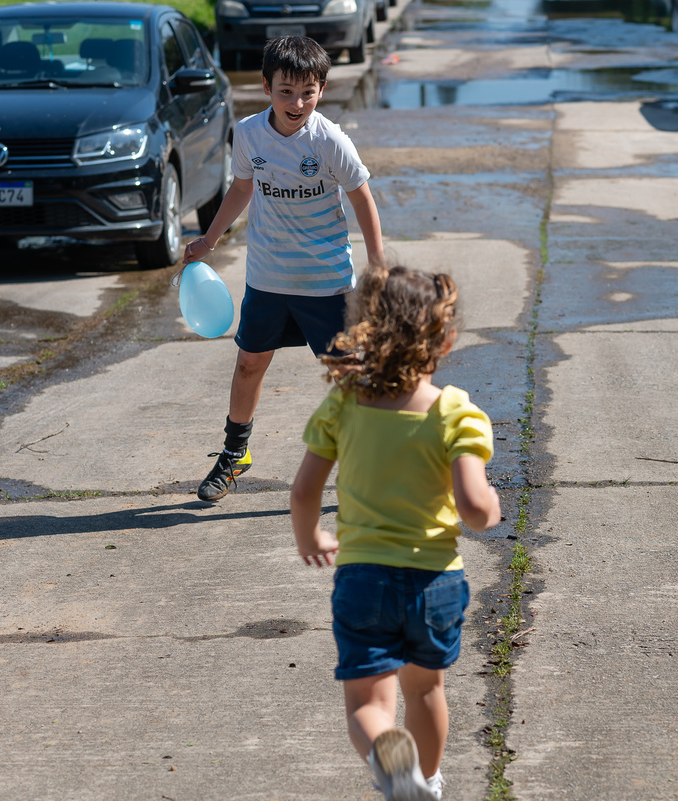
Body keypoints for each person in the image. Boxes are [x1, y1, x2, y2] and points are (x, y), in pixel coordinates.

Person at [290, 266, 501, 801]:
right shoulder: (455, 411)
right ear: (446, 339)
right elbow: (476, 508)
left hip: (362, 579)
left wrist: (311, 538)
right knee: (426, 688)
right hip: (435, 582)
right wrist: (488, 509)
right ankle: (425, 784)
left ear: (364, 330)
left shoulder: (343, 404)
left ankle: (396, 770)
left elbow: (303, 491)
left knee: (368, 704)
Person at [182, 35, 384, 502]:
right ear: (266, 86)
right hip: (268, 278)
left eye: (308, 92)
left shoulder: (330, 140)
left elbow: (362, 198)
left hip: (326, 282)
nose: (297, 102)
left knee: (347, 372)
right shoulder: (250, 133)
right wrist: (209, 240)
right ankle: (235, 454)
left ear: (322, 88)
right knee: (249, 363)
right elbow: (240, 189)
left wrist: (378, 266)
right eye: (286, 91)